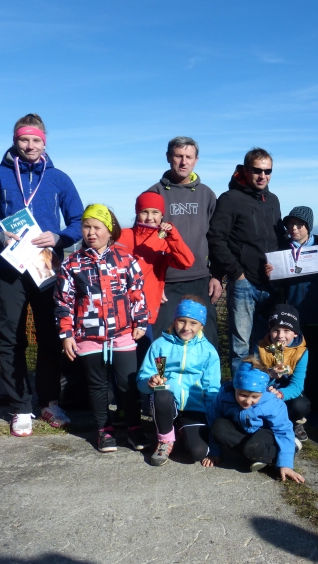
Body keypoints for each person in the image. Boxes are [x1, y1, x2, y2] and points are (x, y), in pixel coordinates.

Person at [0, 113, 83, 437]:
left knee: (50, 336)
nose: (30, 146)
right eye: (23, 140)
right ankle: (20, 406)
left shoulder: (59, 179)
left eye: (35, 140)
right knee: (11, 338)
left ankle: (49, 402)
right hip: (9, 270)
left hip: (46, 267)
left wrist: (59, 237)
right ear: (15, 141)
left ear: (45, 142)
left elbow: (77, 222)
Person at [55, 204, 149, 453]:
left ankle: (134, 427)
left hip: (123, 333)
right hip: (88, 335)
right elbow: (63, 302)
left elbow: (137, 293)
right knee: (97, 386)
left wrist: (140, 321)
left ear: (109, 230)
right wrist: (66, 334)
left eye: (97, 227)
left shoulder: (126, 259)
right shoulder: (71, 263)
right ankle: (103, 431)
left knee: (128, 383)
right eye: (86, 226)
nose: (91, 232)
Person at [207, 148, 285, 373]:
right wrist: (236, 273)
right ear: (246, 170)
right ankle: (240, 393)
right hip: (244, 283)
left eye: (268, 171)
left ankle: (261, 390)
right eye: (257, 170)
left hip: (271, 284)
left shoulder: (273, 200)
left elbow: (279, 238)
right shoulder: (230, 199)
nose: (263, 176)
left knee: (267, 344)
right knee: (241, 347)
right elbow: (216, 237)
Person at [145, 136, 221, 349]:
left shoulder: (207, 194)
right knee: (161, 341)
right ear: (168, 157)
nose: (183, 162)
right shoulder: (154, 193)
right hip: (166, 282)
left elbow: (217, 238)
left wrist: (217, 275)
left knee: (207, 340)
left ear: (196, 160)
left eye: (189, 157)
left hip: (201, 279)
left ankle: (206, 374)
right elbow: (144, 243)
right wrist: (153, 284)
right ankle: (161, 373)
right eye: (178, 156)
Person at [266, 207, 318, 426]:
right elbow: (276, 287)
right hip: (289, 322)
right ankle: (289, 406)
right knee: (285, 363)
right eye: (290, 225)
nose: (293, 229)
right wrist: (270, 276)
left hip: (317, 316)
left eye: (299, 225)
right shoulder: (281, 249)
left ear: (308, 226)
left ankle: (316, 408)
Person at [137, 297, 220, 466]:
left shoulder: (209, 351)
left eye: (193, 323)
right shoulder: (159, 345)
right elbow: (141, 380)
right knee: (162, 394)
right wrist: (149, 382)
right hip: (166, 404)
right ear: (174, 320)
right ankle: (165, 440)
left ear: (202, 325)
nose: (186, 327)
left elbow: (212, 390)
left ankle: (179, 432)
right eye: (182, 321)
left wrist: (214, 439)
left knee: (198, 452)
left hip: (194, 408)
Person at [119, 191, 195, 366]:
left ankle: (151, 384)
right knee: (121, 361)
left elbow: (186, 262)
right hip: (119, 308)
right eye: (144, 212)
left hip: (146, 311)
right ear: (137, 213)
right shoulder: (123, 235)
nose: (150, 217)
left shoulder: (165, 241)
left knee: (146, 358)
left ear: (162, 215)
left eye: (155, 212)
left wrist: (173, 235)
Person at [204, 357, 305, 483]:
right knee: (217, 426)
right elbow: (213, 418)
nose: (248, 401)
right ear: (235, 386)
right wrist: (214, 452)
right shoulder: (223, 395)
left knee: (253, 447)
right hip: (240, 431)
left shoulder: (272, 403)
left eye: (255, 397)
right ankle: (254, 454)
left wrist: (286, 464)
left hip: (264, 433)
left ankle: (287, 450)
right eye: (243, 395)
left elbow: (283, 430)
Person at [256, 305, 310, 441]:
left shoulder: (302, 353)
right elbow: (254, 379)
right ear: (270, 331)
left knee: (300, 405)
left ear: (295, 333)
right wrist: (270, 375)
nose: (280, 336)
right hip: (266, 391)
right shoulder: (260, 348)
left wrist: (280, 394)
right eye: (276, 330)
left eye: (287, 330)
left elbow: (297, 386)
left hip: (286, 393)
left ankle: (294, 422)